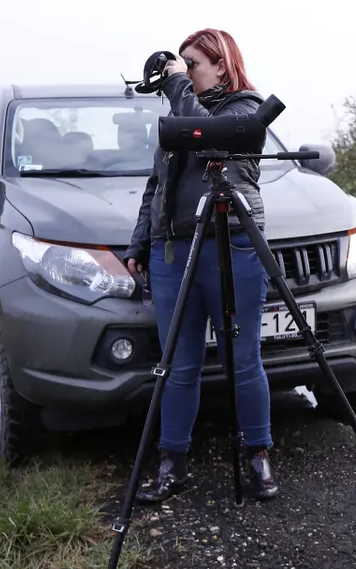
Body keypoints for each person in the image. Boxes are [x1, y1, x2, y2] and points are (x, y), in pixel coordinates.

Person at [123, 28, 279, 503]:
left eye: (192, 63)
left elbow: (208, 138)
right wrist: (140, 242)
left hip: (230, 246)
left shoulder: (245, 110)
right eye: (181, 65)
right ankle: (172, 462)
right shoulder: (182, 109)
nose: (184, 72)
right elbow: (157, 185)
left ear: (221, 65)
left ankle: (258, 454)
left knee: (243, 359)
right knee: (177, 363)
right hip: (173, 250)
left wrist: (176, 85)